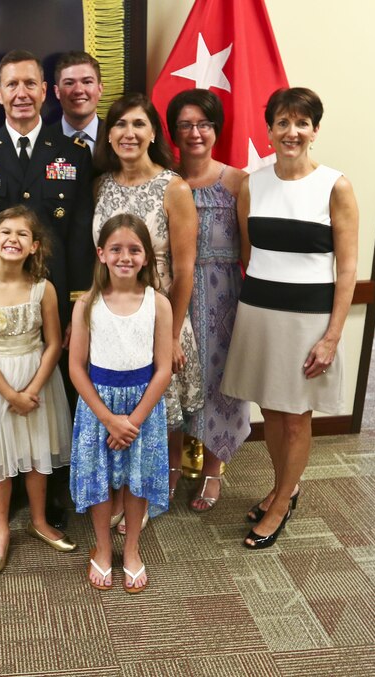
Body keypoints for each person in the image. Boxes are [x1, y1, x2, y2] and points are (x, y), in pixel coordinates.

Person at [0, 49, 95, 532]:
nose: (21, 93)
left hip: (52, 299)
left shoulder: (73, 152)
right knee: (0, 404)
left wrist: (80, 299)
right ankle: (4, 492)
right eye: (11, 85)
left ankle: (52, 493)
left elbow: (78, 230)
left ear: (46, 92)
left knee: (55, 401)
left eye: (30, 84)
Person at [221, 88, 359, 549]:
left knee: (297, 418)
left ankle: (280, 502)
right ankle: (286, 486)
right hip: (259, 313)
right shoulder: (252, 184)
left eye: (302, 123)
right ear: (270, 130)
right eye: (283, 122)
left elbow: (348, 269)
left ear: (315, 130)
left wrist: (332, 336)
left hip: (309, 319)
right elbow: (247, 253)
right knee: (273, 411)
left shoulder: (335, 186)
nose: (292, 131)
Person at [92, 92, 201, 534]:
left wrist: (171, 334)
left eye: (138, 124)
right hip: (111, 315)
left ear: (153, 132)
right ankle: (121, 493)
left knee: (161, 409)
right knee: (121, 400)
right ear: (110, 134)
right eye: (119, 125)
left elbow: (186, 267)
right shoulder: (102, 184)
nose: (129, 133)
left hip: (159, 315)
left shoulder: (173, 187)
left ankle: (160, 486)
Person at [0, 206, 76, 574]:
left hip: (38, 379)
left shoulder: (43, 289)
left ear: (34, 246)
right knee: (1, 459)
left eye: (23, 234)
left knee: (36, 453)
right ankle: (1, 530)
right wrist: (12, 395)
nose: (13, 239)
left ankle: (40, 520)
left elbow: (54, 342)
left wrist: (32, 388)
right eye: (5, 232)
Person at [70, 214, 172, 593]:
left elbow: (163, 370)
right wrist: (109, 419)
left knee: (137, 479)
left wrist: (133, 419)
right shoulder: (87, 305)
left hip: (143, 408)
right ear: (101, 254)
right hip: (100, 407)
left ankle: (131, 549)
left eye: (134, 249)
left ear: (147, 257)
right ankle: (101, 547)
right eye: (116, 249)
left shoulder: (158, 303)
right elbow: (77, 369)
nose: (124, 256)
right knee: (98, 480)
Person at [166, 89, 251, 511]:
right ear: (173, 132)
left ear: (216, 129)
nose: (195, 133)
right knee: (172, 381)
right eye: (185, 125)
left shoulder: (236, 181)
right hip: (174, 295)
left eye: (203, 124)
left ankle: (214, 470)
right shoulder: (167, 182)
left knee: (222, 384)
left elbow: (250, 252)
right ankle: (173, 467)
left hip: (224, 299)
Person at [51, 50, 104, 155]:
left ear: (100, 89)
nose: (78, 90)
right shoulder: (41, 141)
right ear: (57, 92)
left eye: (87, 82)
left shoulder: (118, 137)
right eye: (69, 83)